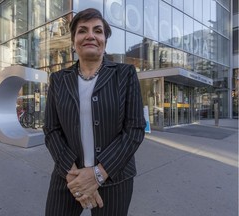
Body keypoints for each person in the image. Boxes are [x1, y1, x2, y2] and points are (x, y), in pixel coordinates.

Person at [43, 8, 146, 216]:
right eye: (82, 31)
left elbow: (135, 129)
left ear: (104, 41)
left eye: (97, 31)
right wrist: (74, 176)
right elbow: (51, 129)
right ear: (74, 41)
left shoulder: (124, 75)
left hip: (115, 177)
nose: (90, 35)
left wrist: (97, 175)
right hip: (68, 176)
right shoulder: (58, 80)